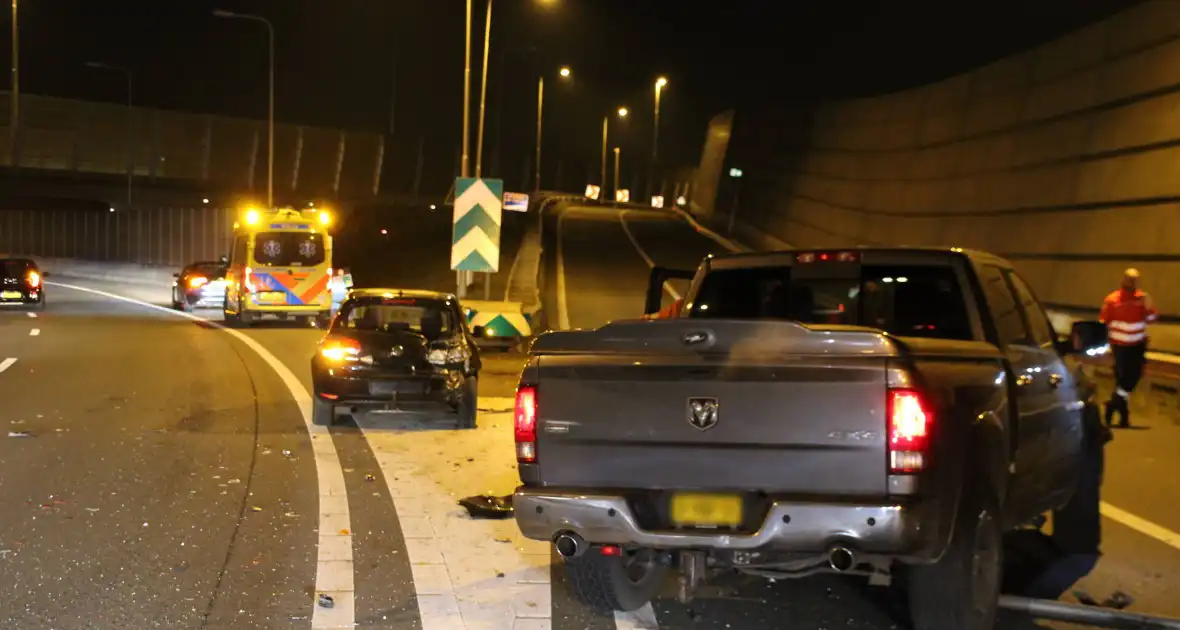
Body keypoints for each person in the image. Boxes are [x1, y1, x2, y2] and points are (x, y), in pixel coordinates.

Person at [1098, 268, 1158, 428]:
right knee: (1122, 379)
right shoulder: (1112, 299)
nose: (1132, 283)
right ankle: (1123, 416)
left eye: (1135, 280)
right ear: (1123, 280)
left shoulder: (1141, 299)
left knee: (1133, 378)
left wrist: (1149, 306)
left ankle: (1112, 405)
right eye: (1129, 279)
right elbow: (1104, 321)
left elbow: (1151, 319)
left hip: (1137, 345)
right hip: (1119, 346)